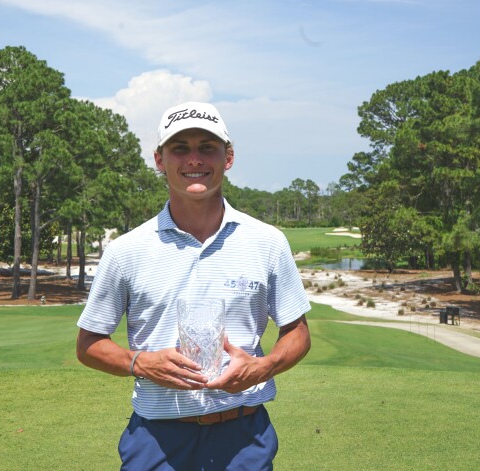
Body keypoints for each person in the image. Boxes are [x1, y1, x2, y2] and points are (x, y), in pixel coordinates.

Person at [76, 101, 311, 470]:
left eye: (207, 147)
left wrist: (262, 367)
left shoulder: (267, 241)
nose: (194, 159)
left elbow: (297, 332)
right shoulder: (126, 250)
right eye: (180, 148)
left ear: (228, 157)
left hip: (244, 435)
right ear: (159, 159)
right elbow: (88, 344)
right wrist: (139, 362)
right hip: (158, 439)